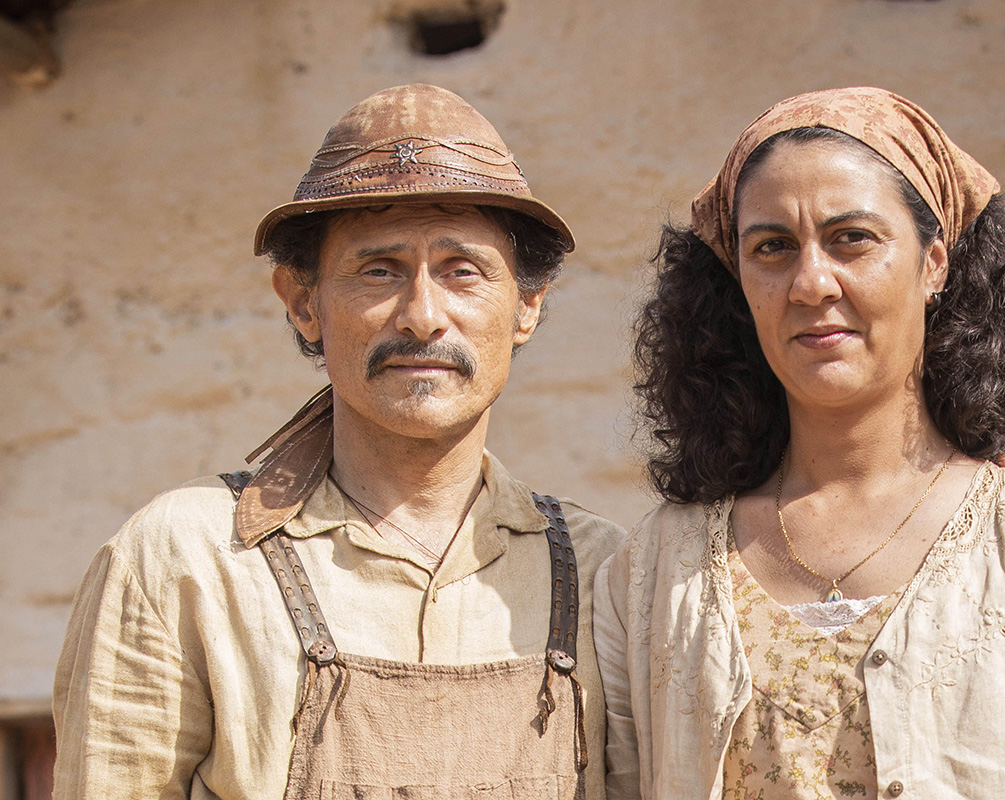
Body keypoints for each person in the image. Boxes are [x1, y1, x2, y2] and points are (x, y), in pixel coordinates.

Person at [53, 84, 624, 799]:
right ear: (303, 302)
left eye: (462, 272)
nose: (421, 317)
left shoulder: (608, 574)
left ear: (527, 307)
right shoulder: (184, 560)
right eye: (378, 270)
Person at [594, 87, 1005, 800]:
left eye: (851, 239)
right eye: (772, 248)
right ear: (737, 285)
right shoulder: (652, 569)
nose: (810, 283)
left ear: (934, 264)